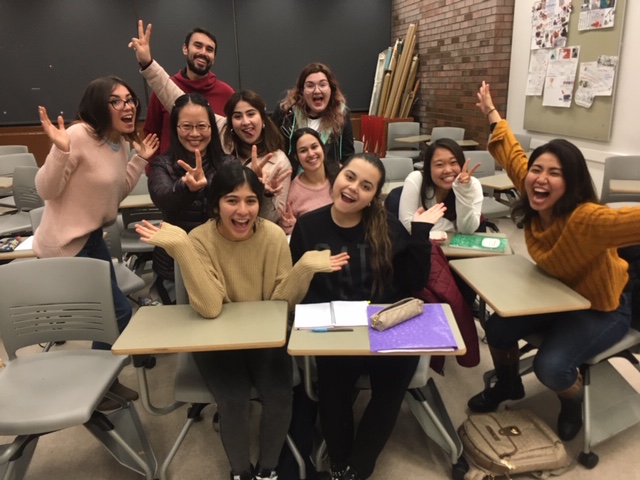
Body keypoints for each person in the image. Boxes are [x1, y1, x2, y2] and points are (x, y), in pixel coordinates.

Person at [136, 161, 349, 480]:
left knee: (279, 397)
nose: (243, 210)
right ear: (215, 204)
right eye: (231, 200)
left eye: (250, 200)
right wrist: (182, 250)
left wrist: (303, 268)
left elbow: (280, 304)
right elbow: (209, 308)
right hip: (216, 338)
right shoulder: (200, 239)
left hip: (265, 339)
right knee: (233, 401)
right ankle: (240, 473)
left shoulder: (274, 235)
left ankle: (268, 470)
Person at [468, 81, 640, 442]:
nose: (540, 179)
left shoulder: (586, 219)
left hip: (602, 308)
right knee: (497, 327)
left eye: (555, 173)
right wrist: (491, 112)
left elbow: (631, 221)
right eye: (537, 170)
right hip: (555, 293)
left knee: (552, 367)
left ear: (572, 183)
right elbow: (514, 155)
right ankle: (509, 385)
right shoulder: (535, 196)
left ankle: (571, 401)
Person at [289, 153, 447, 480]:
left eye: (365, 186)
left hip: (383, 321)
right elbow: (300, 286)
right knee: (333, 391)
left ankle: (357, 470)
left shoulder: (384, 225)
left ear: (373, 195)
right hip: (337, 327)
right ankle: (338, 464)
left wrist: (419, 234)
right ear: (336, 177)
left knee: (389, 392)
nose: (353, 189)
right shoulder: (309, 225)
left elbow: (412, 283)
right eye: (349, 177)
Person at [34, 76, 159, 408]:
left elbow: (116, 190)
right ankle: (97, 386)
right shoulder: (76, 136)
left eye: (130, 99)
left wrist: (140, 158)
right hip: (64, 245)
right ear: (98, 106)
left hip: (91, 238)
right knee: (116, 313)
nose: (127, 106)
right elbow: (45, 190)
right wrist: (60, 151)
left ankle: (106, 381)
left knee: (114, 313)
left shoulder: (116, 141)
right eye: (116, 101)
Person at [130, 21, 290, 223]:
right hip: (176, 193)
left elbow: (264, 216)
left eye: (252, 114)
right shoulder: (220, 130)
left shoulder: (232, 161)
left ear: (264, 119)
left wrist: (261, 190)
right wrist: (147, 63)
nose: (245, 122)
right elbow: (173, 97)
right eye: (238, 116)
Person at [147, 91, 233, 304]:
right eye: (186, 126)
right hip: (174, 267)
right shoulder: (162, 165)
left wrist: (259, 189)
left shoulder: (228, 163)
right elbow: (164, 199)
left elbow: (239, 205)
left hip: (219, 262)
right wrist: (187, 187)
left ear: (211, 128)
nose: (195, 133)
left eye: (202, 126)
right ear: (175, 129)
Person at [143, 26, 234, 168]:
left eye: (209, 49)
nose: (203, 53)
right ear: (185, 49)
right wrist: (154, 172)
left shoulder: (226, 93)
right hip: (170, 176)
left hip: (215, 178)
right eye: (198, 46)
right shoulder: (161, 91)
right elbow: (151, 135)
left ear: (214, 58)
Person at [272, 63, 354, 175]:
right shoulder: (286, 111)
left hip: (327, 182)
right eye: (310, 86)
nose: (317, 90)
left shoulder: (341, 114)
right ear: (302, 90)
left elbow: (348, 156)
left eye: (323, 85)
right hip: (290, 180)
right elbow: (270, 146)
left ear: (331, 88)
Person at [398, 138, 483, 234]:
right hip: (423, 245)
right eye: (439, 164)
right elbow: (408, 224)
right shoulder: (416, 179)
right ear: (428, 167)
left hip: (454, 247)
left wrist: (464, 191)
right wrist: (453, 227)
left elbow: (467, 230)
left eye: (453, 162)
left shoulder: (472, 185)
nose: (447, 170)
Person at [278, 127, 338, 235]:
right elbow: (289, 233)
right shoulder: (292, 193)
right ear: (296, 157)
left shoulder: (341, 177)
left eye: (314, 147)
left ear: (322, 148)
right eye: (303, 150)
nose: (310, 154)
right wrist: (293, 227)